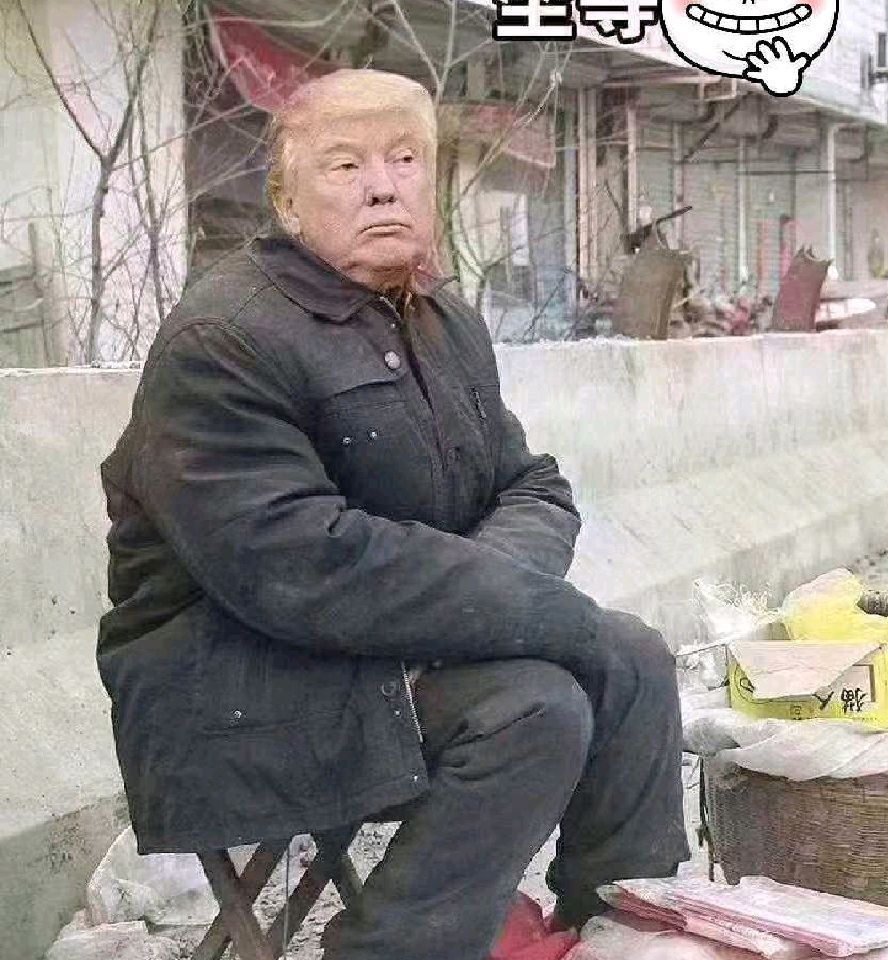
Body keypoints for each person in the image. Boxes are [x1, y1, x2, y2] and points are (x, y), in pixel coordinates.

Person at [97, 69, 689, 960]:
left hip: (391, 646)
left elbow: (532, 486)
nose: (383, 186)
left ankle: (617, 928)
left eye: (405, 159)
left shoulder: (444, 318)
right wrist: (500, 608)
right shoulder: (223, 338)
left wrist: (490, 601)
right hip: (234, 686)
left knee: (632, 656)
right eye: (345, 165)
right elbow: (301, 565)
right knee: (532, 707)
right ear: (286, 202)